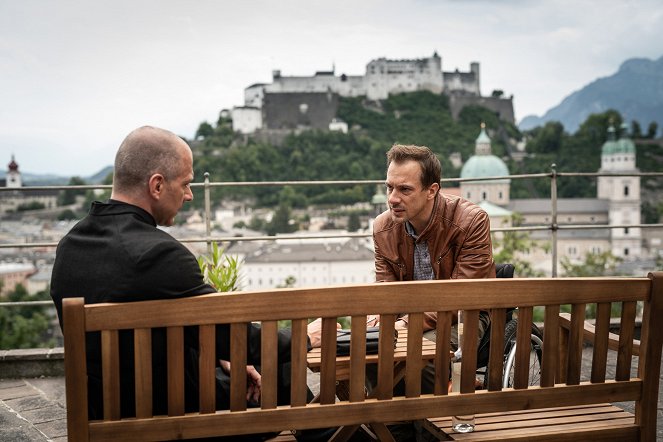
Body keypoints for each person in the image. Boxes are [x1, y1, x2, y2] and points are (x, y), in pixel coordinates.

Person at [50, 126, 330, 440]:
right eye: (185, 183)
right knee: (280, 365)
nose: (189, 195)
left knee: (259, 364)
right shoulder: (161, 254)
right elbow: (243, 341)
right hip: (177, 424)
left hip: (103, 419)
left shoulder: (69, 246)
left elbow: (188, 334)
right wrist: (305, 336)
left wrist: (226, 358)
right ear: (157, 185)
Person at [370, 144, 495, 384]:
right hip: (405, 319)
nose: (392, 198)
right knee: (366, 350)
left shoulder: (471, 221)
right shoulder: (382, 228)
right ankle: (396, 419)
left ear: (431, 190)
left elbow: (459, 298)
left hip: (462, 316)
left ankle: (416, 413)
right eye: (389, 187)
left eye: (405, 189)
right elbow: (384, 292)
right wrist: (376, 324)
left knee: (414, 358)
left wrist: (403, 324)